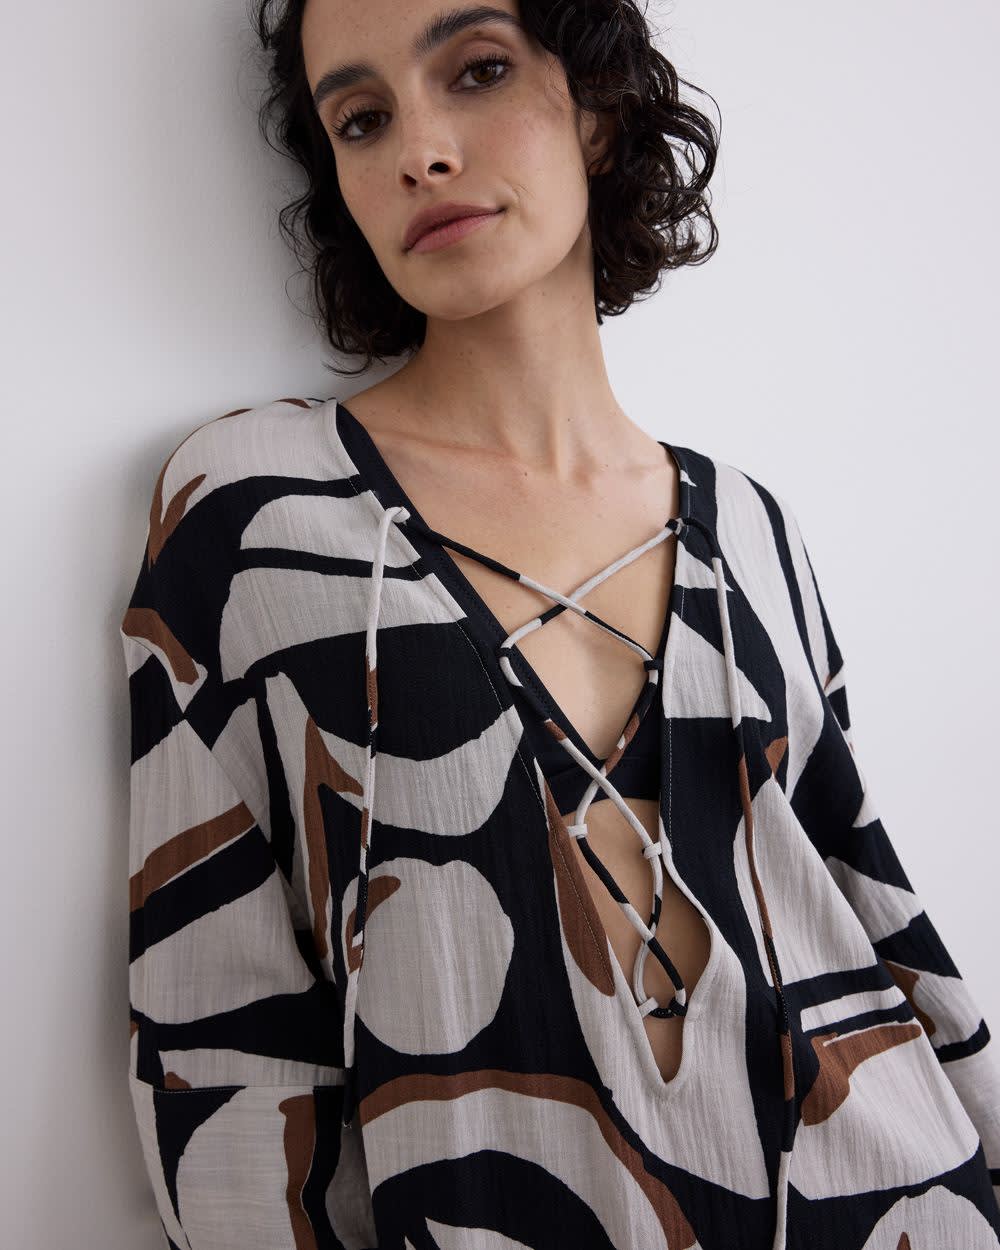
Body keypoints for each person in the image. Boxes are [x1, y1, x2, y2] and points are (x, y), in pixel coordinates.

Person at [119, 2, 1000, 1247]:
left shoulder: (750, 523)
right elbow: (214, 1022)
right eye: (361, 120)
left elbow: (869, 900)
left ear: (595, 109)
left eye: (478, 71)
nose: (420, 150)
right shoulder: (253, 505)